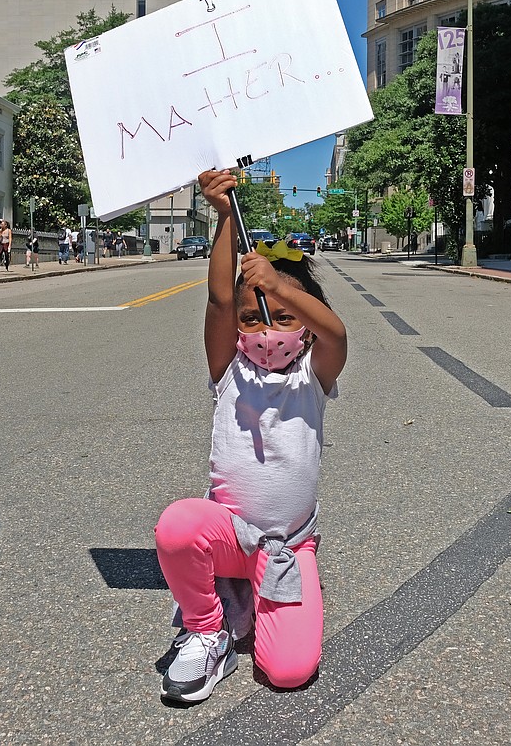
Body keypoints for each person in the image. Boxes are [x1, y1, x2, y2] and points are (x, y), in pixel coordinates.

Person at [155, 168, 347, 704]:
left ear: (304, 322)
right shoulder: (229, 370)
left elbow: (336, 331)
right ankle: (206, 628)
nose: (266, 331)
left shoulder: (314, 375)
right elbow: (219, 301)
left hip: (288, 543)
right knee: (177, 526)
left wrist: (279, 283)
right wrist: (222, 216)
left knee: (288, 671)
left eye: (283, 317)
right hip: (229, 536)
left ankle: (278, 592)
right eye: (254, 319)